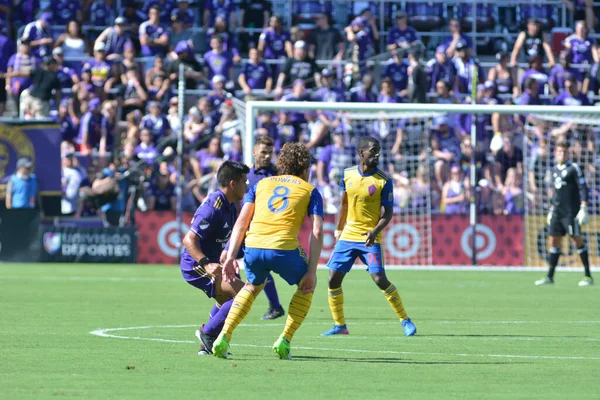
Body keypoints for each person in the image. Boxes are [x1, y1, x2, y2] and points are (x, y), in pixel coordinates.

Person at [213, 143, 324, 359]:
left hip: (253, 247)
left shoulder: (261, 184)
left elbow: (241, 222)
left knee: (252, 286)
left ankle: (223, 336)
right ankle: (285, 340)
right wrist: (311, 271)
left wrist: (230, 255)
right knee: (306, 287)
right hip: (283, 248)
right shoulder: (310, 191)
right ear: (304, 168)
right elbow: (317, 231)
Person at [321, 136, 416, 337]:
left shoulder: (384, 180)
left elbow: (388, 213)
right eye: (373, 150)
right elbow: (344, 205)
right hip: (348, 235)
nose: (377, 154)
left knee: (379, 278)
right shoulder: (347, 175)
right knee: (333, 279)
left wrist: (374, 232)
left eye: (379, 150)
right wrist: (338, 230)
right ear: (361, 153)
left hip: (369, 237)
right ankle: (340, 326)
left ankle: (405, 320)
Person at [180, 160, 249, 355]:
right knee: (244, 293)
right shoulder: (213, 206)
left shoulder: (230, 206)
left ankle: (206, 345)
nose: (247, 185)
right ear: (232, 184)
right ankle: (207, 333)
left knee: (225, 299)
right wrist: (206, 264)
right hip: (195, 264)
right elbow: (188, 240)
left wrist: (230, 257)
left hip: (213, 262)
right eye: (244, 181)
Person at [223, 135, 285, 320]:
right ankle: (231, 299)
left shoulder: (277, 175)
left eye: (270, 153)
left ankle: (271, 306)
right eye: (264, 152)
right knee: (227, 259)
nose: (267, 156)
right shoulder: (245, 175)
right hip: (240, 228)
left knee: (259, 268)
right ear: (254, 151)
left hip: (260, 230)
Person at [536, 141, 593, 287]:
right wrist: (551, 208)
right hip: (557, 212)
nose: (562, 154)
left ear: (569, 153)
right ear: (555, 153)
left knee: (576, 240)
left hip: (570, 212)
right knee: (554, 241)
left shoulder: (573, 168)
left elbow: (583, 188)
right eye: (560, 152)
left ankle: (588, 275)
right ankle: (550, 276)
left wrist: (583, 207)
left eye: (565, 152)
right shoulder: (554, 170)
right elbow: (556, 193)